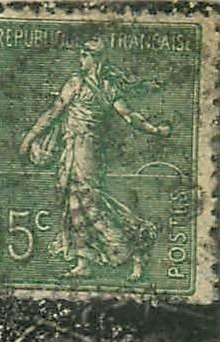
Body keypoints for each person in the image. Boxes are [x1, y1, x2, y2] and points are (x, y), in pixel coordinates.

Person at [18, 39, 171, 281]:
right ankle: (84, 261)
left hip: (81, 150)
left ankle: (135, 241)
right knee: (77, 203)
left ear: (95, 59)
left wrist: (28, 139)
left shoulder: (78, 83)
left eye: (85, 55)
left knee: (88, 202)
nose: (81, 59)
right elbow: (130, 116)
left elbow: (53, 114)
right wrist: (155, 130)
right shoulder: (108, 88)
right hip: (82, 150)